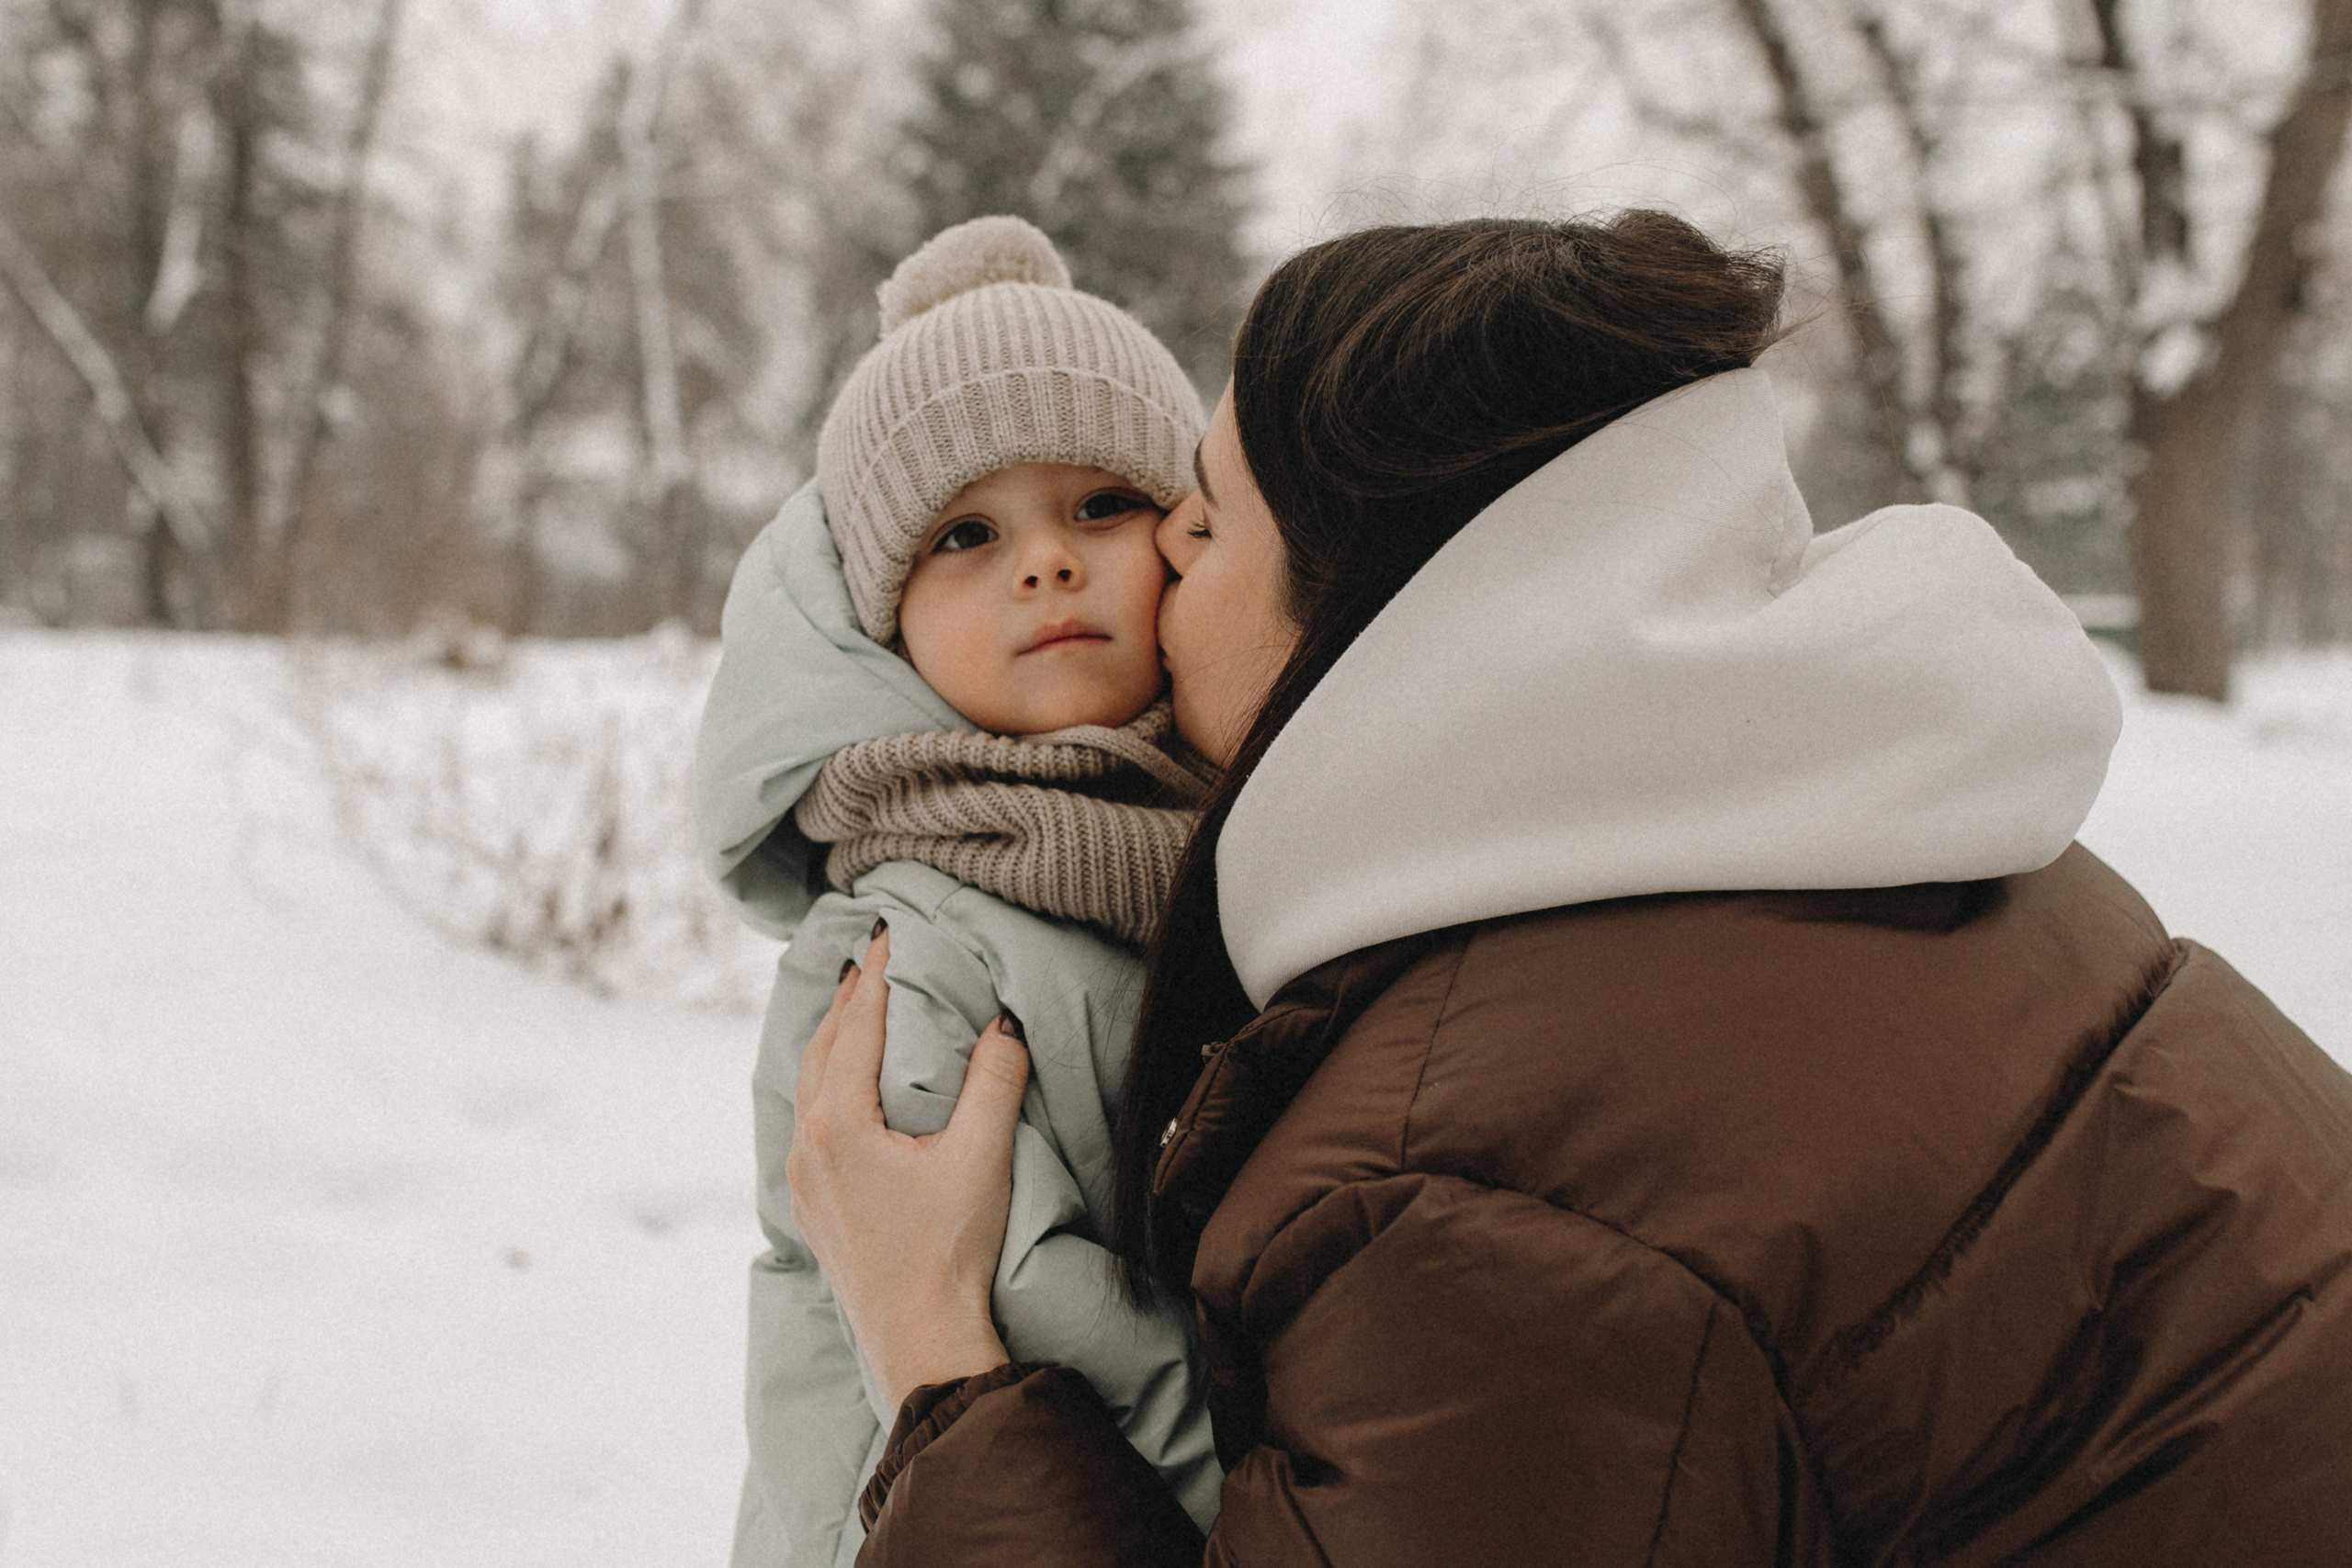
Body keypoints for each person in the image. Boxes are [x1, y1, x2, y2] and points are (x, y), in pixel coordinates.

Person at [783, 213, 2352, 1565]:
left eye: (1201, 513)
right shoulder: (1911, 847)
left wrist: (932, 1360)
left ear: (1379, 586)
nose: (1157, 568)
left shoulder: (1477, 1184)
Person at [693, 215, 1223, 1568]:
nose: (1045, 560)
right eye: (965, 534)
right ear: (890, 622)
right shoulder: (916, 939)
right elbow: (1024, 1312)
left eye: (1102, 503)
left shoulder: (1196, 848)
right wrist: (1253, 1501)